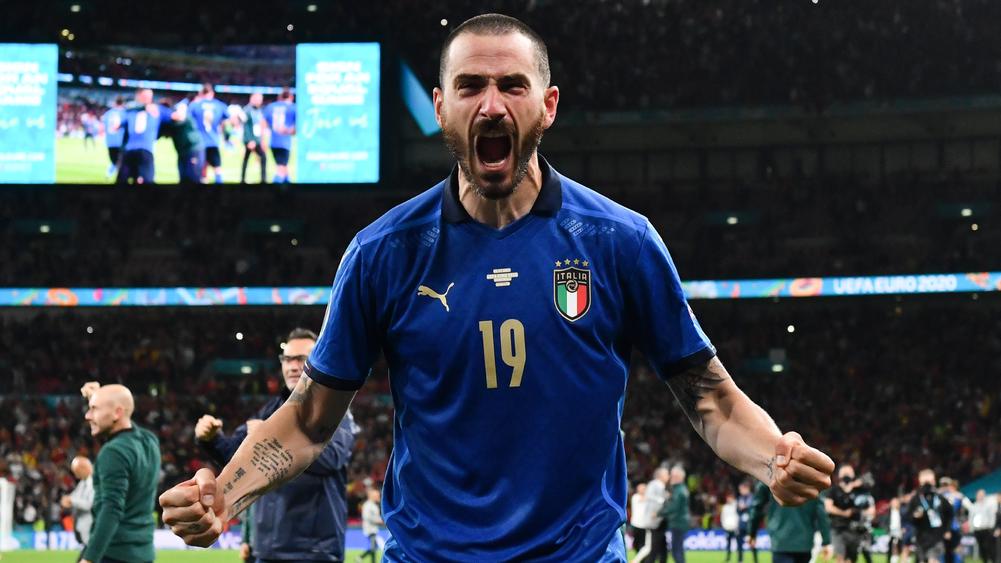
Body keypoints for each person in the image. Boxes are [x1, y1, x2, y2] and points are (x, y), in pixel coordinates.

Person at [159, 13, 835, 562]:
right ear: (440, 107)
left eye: (512, 85)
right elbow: (310, 419)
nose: (490, 104)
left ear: (548, 105)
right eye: (469, 86)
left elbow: (709, 398)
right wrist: (226, 495)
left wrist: (772, 457)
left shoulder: (619, 241)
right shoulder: (383, 253)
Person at [195, 328, 358, 563]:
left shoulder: (334, 408)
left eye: (301, 359)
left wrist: (272, 441)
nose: (292, 366)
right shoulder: (270, 411)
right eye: (287, 359)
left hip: (313, 552)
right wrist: (211, 438)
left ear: (318, 362)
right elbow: (236, 457)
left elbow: (332, 458)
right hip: (266, 550)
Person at [78, 382, 160, 563]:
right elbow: (127, 424)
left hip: (113, 552)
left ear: (117, 413)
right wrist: (100, 398)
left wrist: (89, 558)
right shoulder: (149, 441)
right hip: (143, 553)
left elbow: (112, 508)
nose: (87, 415)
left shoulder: (113, 452)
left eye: (94, 409)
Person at [748, 480, 832, 563]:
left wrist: (751, 532)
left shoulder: (771, 477)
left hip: (780, 539)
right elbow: (821, 513)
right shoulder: (812, 478)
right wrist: (826, 541)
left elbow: (756, 507)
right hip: (804, 542)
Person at [117, 88, 167, 185]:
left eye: (150, 97)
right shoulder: (130, 110)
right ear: (138, 96)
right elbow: (118, 124)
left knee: (147, 179)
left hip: (146, 150)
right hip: (129, 150)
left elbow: (173, 116)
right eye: (145, 96)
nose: (148, 99)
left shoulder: (156, 109)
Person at [825, 465, 873, 563]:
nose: (847, 476)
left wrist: (859, 512)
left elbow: (870, 509)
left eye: (849, 473)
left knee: (851, 559)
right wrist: (844, 513)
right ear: (839, 475)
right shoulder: (833, 490)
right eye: (845, 473)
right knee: (840, 557)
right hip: (838, 528)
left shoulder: (859, 490)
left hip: (854, 530)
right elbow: (828, 507)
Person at [906, 469, 954, 563]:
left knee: (933, 559)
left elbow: (950, 514)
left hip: (937, 536)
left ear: (934, 481)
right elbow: (909, 517)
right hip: (921, 537)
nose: (927, 486)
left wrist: (947, 530)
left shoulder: (940, 498)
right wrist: (915, 517)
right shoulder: (916, 499)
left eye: (930, 482)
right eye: (925, 482)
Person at [187, 83, 228, 183]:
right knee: (217, 168)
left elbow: (188, 121)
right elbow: (227, 120)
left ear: (201, 93)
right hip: (213, 141)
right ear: (212, 93)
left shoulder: (195, 105)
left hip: (199, 142)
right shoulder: (219, 105)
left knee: (201, 169)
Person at [160, 96, 206, 184]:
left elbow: (180, 117)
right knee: (184, 178)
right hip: (182, 152)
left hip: (193, 150)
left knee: (194, 177)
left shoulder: (181, 114)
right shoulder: (169, 121)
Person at [633, 468, 669, 563]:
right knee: (652, 546)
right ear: (661, 476)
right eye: (666, 474)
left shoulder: (655, 485)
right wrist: (663, 500)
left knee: (660, 545)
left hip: (652, 520)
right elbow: (654, 500)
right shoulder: (657, 485)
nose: (668, 477)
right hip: (654, 520)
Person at [262, 88, 295, 183]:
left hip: (273, 142)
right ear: (291, 97)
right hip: (284, 142)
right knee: (281, 169)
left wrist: (263, 139)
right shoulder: (293, 107)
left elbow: (263, 123)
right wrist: (289, 130)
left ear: (279, 97)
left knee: (284, 168)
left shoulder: (271, 106)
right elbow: (297, 127)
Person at [60, 456, 94, 547]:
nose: (76, 476)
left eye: (77, 472)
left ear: (83, 468)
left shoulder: (95, 482)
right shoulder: (83, 482)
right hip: (82, 525)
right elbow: (74, 496)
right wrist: (67, 499)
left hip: (91, 526)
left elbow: (89, 504)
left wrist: (71, 500)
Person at [939, 477, 972, 563]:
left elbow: (970, 508)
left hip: (952, 527)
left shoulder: (958, 497)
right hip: (951, 527)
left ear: (953, 487)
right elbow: (971, 508)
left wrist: (965, 520)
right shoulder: (959, 496)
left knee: (952, 548)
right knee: (950, 549)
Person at [661, 466, 690, 563]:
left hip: (678, 522)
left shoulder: (679, 490)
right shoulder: (680, 489)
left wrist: (659, 513)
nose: (670, 478)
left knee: (676, 551)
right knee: (678, 550)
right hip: (680, 522)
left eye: (673, 476)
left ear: (678, 477)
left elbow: (674, 507)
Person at [240, 92, 267, 184]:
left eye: (261, 100)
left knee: (248, 158)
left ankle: (243, 179)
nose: (260, 102)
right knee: (262, 157)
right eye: (258, 99)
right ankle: (262, 180)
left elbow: (259, 125)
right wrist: (249, 140)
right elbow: (244, 125)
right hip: (250, 139)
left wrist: (262, 139)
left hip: (256, 139)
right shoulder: (247, 110)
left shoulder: (258, 110)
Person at [100, 97, 127, 178]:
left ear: (115, 103)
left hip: (110, 142)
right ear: (123, 103)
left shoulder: (108, 113)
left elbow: (102, 125)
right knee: (122, 162)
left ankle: (110, 173)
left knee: (115, 160)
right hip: (121, 141)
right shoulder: (125, 113)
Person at [357, 486, 384, 563]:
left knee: (373, 547)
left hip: (373, 529)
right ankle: (364, 558)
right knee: (373, 547)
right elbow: (366, 516)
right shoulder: (368, 505)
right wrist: (379, 521)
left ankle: (360, 557)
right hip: (369, 529)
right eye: (377, 495)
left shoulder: (373, 505)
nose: (378, 497)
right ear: (372, 496)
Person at [970, 490, 997, 563]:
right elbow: (971, 517)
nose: (980, 496)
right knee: (982, 548)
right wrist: (972, 528)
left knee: (988, 547)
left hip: (987, 529)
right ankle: (985, 561)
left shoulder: (988, 505)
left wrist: (991, 527)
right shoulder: (974, 506)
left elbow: (992, 516)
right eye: (979, 495)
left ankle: (993, 560)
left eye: (982, 495)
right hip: (977, 530)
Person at [737, 481, 757, 563]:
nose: (740, 491)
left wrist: (746, 507)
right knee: (739, 544)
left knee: (752, 544)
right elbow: (738, 511)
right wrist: (739, 508)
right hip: (741, 525)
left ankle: (755, 560)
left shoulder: (753, 497)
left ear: (746, 488)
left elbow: (754, 509)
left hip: (750, 525)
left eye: (741, 489)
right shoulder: (740, 498)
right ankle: (740, 560)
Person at [631, 483, 650, 558]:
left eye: (644, 488)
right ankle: (639, 556)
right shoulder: (635, 497)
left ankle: (642, 558)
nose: (643, 490)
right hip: (636, 524)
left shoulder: (648, 498)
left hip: (644, 525)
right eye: (641, 488)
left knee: (643, 543)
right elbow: (642, 499)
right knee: (636, 543)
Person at [721, 492, 740, 562]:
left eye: (730, 498)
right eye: (727, 498)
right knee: (728, 544)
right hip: (727, 528)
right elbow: (722, 517)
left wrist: (737, 525)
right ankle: (728, 557)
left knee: (738, 543)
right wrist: (724, 525)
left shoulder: (736, 506)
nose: (728, 499)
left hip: (735, 528)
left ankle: (739, 558)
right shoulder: (725, 507)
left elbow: (738, 516)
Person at [887, 497, 904, 563]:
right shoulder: (888, 512)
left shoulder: (901, 511)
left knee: (899, 547)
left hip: (899, 531)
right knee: (893, 546)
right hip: (891, 531)